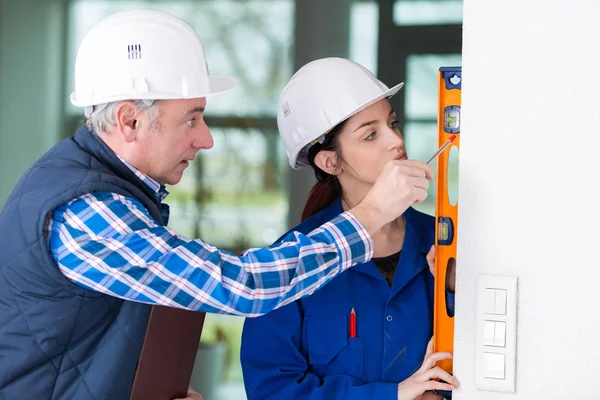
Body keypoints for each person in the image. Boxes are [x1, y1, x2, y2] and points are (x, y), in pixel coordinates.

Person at [0, 10, 435, 400]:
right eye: (191, 118)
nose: (206, 138)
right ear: (130, 120)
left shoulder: (118, 201)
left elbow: (89, 341)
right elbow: (243, 287)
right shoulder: (87, 214)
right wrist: (372, 213)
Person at [240, 58, 460, 400]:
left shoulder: (444, 246)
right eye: (370, 134)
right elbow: (272, 390)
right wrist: (394, 395)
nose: (395, 141)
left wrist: (459, 294)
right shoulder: (289, 265)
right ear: (330, 161)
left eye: (393, 124)